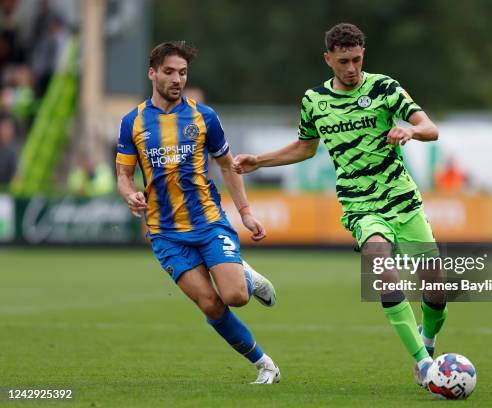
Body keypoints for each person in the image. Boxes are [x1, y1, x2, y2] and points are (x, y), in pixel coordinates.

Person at [233, 23, 447, 388]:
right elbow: (305, 146)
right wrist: (260, 162)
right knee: (381, 265)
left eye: (358, 59)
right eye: (344, 61)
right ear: (328, 59)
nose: (352, 68)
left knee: (437, 288)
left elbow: (430, 127)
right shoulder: (314, 100)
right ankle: (424, 363)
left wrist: (410, 130)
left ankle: (428, 340)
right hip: (360, 204)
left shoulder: (384, 87)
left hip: (402, 199)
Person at [115, 41, 280, 384]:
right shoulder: (132, 122)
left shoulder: (203, 116)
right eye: (170, 72)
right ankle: (264, 364)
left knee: (236, 296)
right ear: (153, 73)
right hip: (165, 232)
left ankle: (246, 277)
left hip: (208, 222)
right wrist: (130, 195)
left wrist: (246, 213)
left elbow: (227, 165)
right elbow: (123, 176)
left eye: (183, 72)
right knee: (209, 303)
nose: (177, 79)